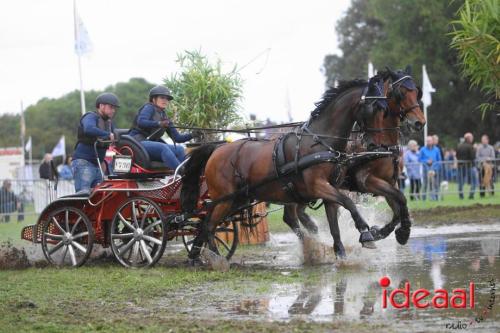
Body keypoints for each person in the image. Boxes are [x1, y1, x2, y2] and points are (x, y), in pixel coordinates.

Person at [129, 85, 200, 169]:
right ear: (153, 99)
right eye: (162, 98)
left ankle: (182, 175)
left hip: (151, 144)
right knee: (163, 147)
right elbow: (141, 122)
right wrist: (159, 123)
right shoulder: (149, 107)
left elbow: (177, 138)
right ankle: (183, 173)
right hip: (138, 142)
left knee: (180, 149)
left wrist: (192, 135)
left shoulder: (164, 116)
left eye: (167, 99)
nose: (165, 101)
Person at [72, 93, 118, 192]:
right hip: (84, 163)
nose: (113, 110)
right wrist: (107, 135)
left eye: (114, 108)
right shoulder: (90, 116)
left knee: (98, 197)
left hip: (98, 165)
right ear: (101, 106)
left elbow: (116, 137)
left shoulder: (109, 123)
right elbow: (89, 129)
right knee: (83, 195)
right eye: (111, 107)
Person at [419, 136, 442, 200]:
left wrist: (435, 167)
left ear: (432, 141)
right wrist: (426, 161)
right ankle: (423, 198)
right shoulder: (422, 149)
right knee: (425, 184)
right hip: (426, 169)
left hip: (435, 169)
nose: (428, 142)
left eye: (430, 141)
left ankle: (436, 197)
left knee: (436, 184)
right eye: (427, 141)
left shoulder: (437, 149)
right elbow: (419, 159)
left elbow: (439, 159)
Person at [456, 132, 478, 199]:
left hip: (460, 166)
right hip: (469, 166)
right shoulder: (470, 146)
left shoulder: (459, 146)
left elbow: (457, 155)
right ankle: (471, 195)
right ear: (468, 138)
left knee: (461, 182)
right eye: (471, 138)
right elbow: (473, 157)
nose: (472, 139)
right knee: (474, 181)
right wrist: (475, 149)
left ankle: (461, 196)